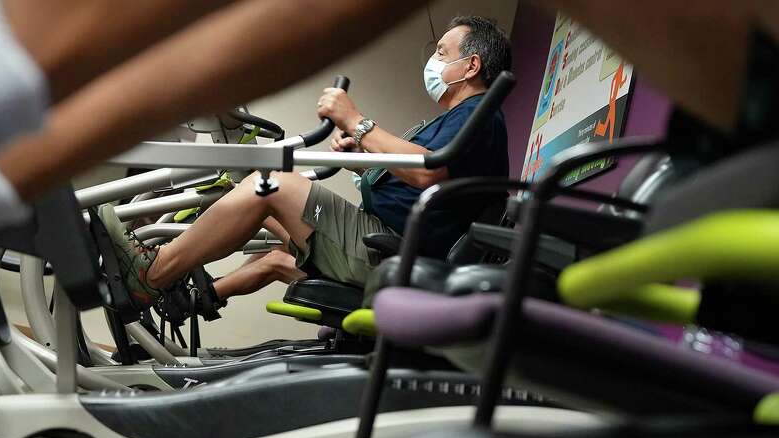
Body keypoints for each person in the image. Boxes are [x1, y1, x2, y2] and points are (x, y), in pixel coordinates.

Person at [98, 15, 512, 306]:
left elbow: (429, 172)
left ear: (471, 65)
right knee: (253, 193)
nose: (434, 60)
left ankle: (152, 275)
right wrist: (366, 154)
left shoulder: (481, 117)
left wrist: (356, 120)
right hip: (390, 242)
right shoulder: (463, 118)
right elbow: (423, 172)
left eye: (443, 51)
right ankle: (177, 279)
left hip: (396, 255)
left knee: (271, 185)